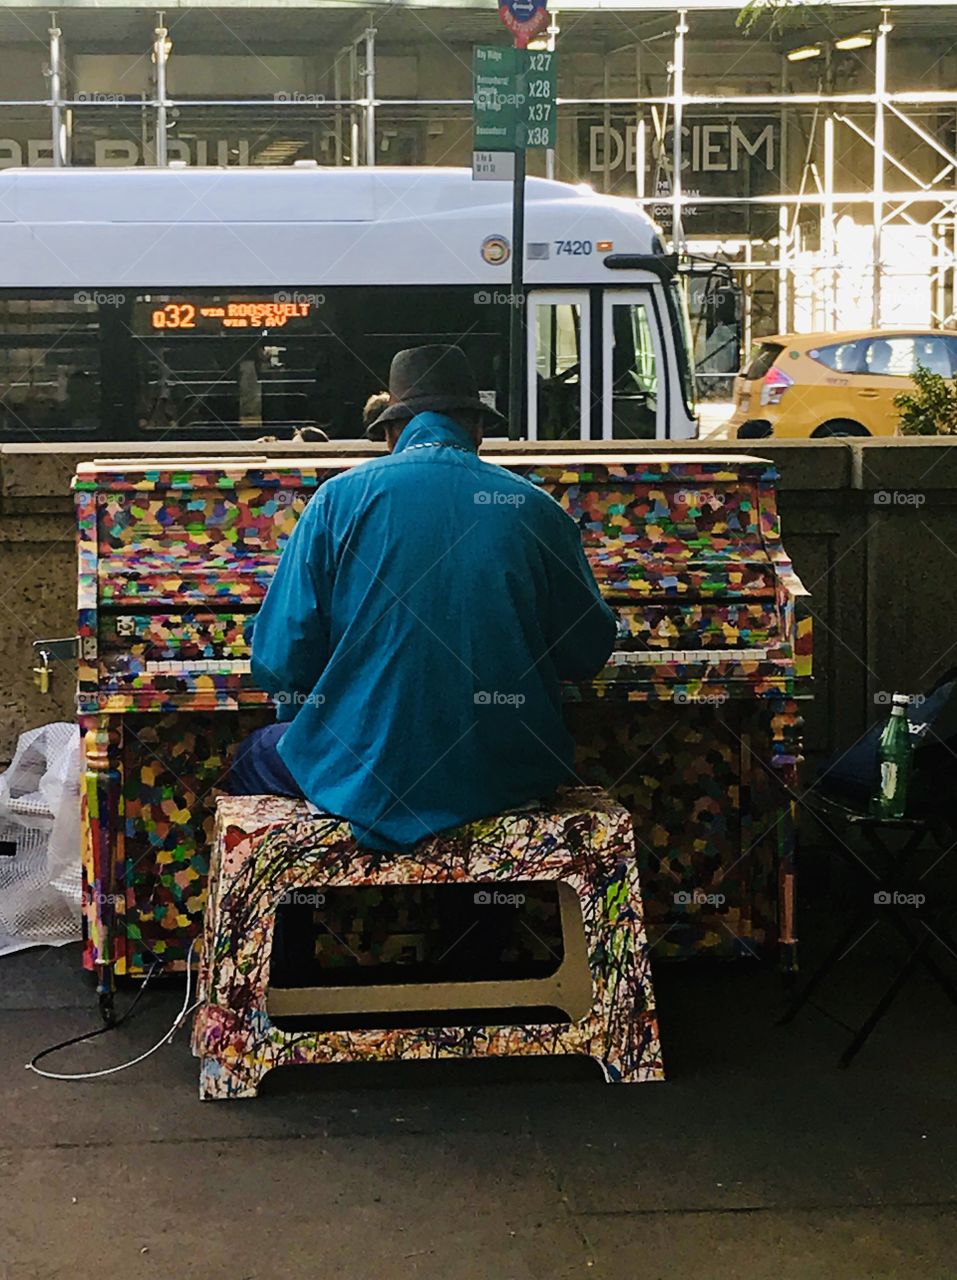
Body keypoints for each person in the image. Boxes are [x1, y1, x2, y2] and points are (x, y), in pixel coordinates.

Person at [229, 344, 617, 852]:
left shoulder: (336, 500)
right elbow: (587, 653)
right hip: (509, 774)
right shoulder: (534, 507)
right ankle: (499, 923)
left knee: (250, 756)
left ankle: (302, 922)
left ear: (391, 431)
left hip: (360, 771)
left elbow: (280, 663)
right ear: (476, 428)